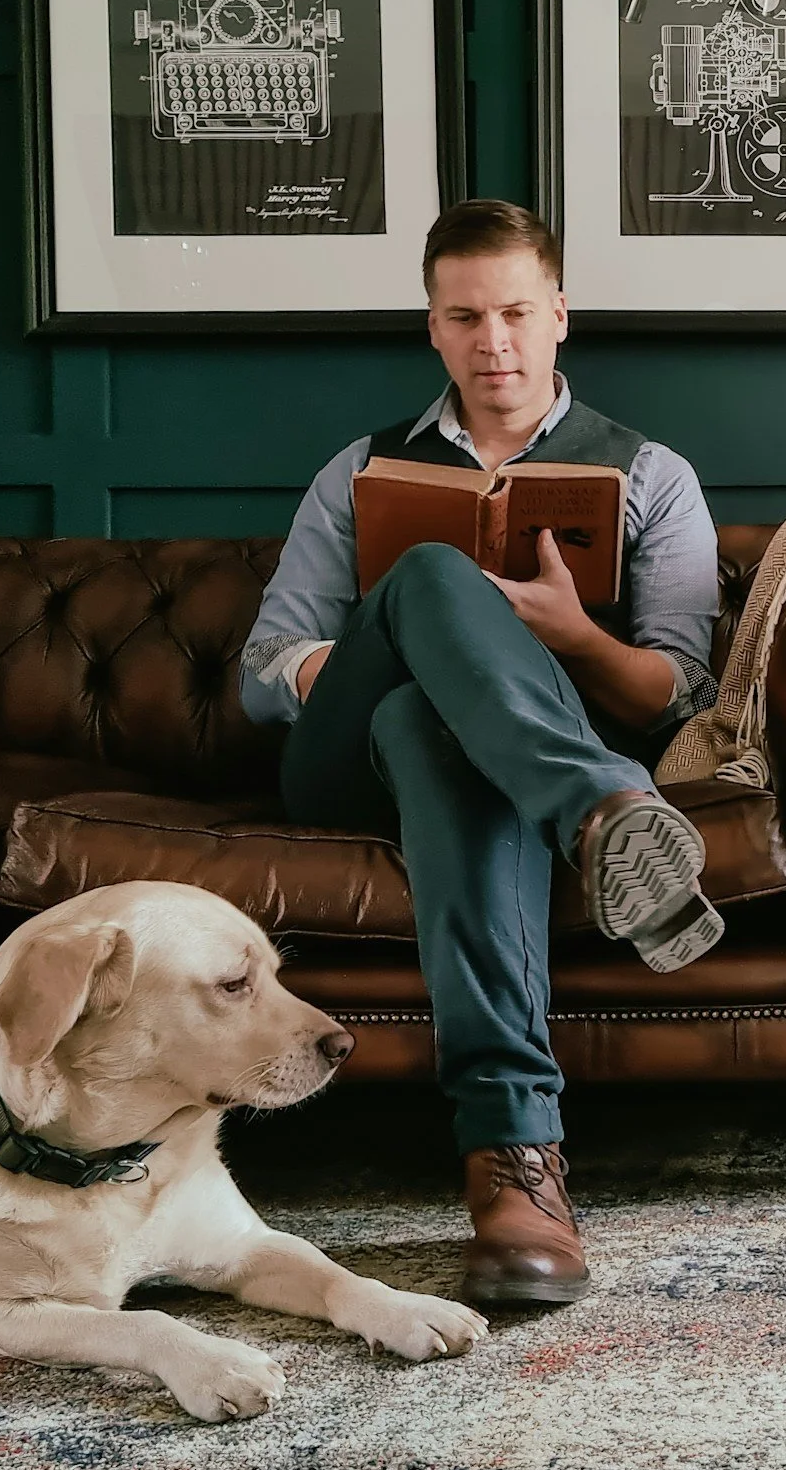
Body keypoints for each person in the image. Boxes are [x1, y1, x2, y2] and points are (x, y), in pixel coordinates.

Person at [239, 199, 724, 1307]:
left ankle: (515, 1162)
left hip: (475, 766)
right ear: (432, 327)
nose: (491, 340)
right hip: (340, 766)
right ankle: (604, 815)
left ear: (559, 314)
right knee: (422, 584)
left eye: (514, 311)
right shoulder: (359, 470)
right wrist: (375, 644)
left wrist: (568, 635)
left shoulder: (651, 477)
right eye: (464, 316)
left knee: (435, 730)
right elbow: (260, 668)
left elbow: (673, 692)